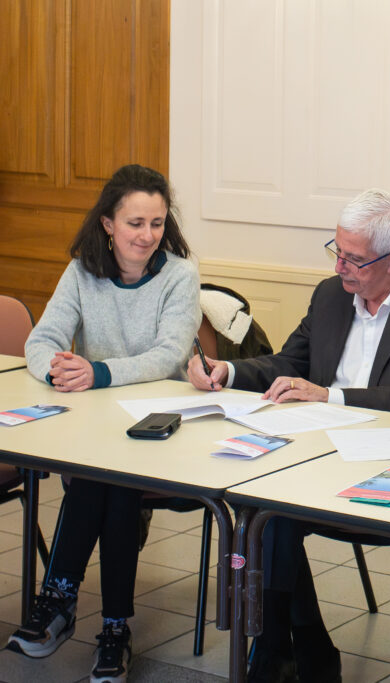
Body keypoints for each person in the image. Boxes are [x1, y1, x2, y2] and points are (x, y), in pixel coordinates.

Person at [186, 188, 390, 683]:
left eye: (354, 259)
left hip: (389, 459)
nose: (340, 267)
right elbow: (289, 364)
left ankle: (285, 651)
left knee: (271, 511)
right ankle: (294, 643)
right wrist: (226, 371)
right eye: (336, 251)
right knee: (259, 500)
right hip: (316, 446)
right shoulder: (329, 295)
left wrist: (331, 398)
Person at [9, 164, 201, 683]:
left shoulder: (180, 274)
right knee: (105, 477)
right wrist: (57, 366)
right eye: (136, 222)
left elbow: (168, 357)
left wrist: (97, 371)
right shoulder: (82, 271)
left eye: (157, 223)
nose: (147, 234)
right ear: (108, 225)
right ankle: (114, 627)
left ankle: (60, 600)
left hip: (162, 422)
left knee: (107, 479)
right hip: (95, 421)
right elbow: (41, 340)